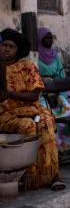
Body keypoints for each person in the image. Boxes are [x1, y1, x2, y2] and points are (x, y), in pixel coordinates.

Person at [0, 29, 65, 191]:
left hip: (31, 109)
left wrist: (10, 93)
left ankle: (53, 175)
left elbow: (34, 96)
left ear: (18, 50)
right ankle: (27, 176)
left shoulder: (27, 67)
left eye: (11, 46)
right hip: (6, 115)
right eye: (3, 45)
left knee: (46, 121)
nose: (6, 49)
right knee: (27, 126)